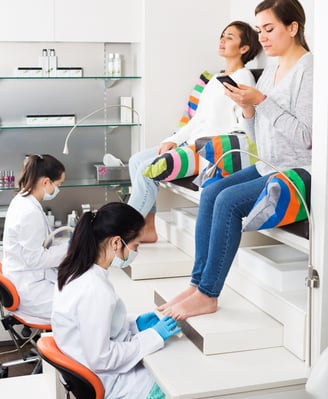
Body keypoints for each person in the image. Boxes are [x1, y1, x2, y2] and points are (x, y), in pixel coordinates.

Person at [158, 0, 313, 320]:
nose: (263, 38)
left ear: (293, 27)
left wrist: (262, 102)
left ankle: (208, 294)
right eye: (259, 30)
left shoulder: (310, 71)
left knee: (228, 200)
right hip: (269, 162)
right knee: (212, 189)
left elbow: (308, 138)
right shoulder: (271, 71)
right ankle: (197, 282)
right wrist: (247, 109)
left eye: (269, 29)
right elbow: (257, 132)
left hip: (299, 169)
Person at [128, 20, 262, 243]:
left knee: (146, 169)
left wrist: (203, 144)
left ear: (244, 48)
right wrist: (172, 139)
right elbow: (196, 120)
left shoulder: (243, 79)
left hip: (208, 149)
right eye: (222, 35)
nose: (222, 40)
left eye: (230, 37)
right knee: (136, 160)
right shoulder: (215, 80)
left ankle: (124, 229)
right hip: (190, 143)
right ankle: (148, 227)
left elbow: (241, 126)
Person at [51, 202, 181, 399]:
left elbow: (93, 323)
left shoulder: (76, 271)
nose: (135, 252)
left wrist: (134, 322)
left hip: (85, 368)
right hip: (108, 380)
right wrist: (153, 336)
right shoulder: (95, 290)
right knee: (172, 384)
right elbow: (102, 358)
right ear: (116, 243)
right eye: (135, 246)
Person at [2, 154, 68, 322]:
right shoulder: (28, 211)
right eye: (58, 185)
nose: (57, 190)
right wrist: (71, 249)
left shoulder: (24, 200)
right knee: (81, 306)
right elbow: (35, 259)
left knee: (81, 295)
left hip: (29, 278)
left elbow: (37, 247)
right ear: (46, 182)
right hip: (30, 289)